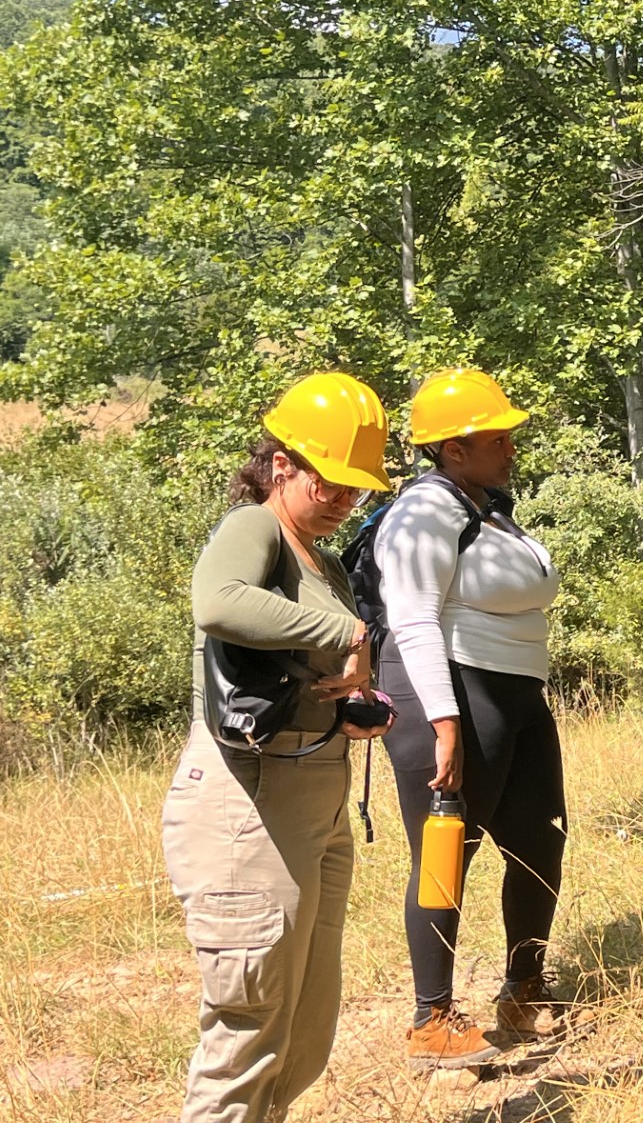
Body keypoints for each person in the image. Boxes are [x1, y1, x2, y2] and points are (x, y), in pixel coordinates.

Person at [162, 372, 396, 1122]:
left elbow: (313, 668)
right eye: (329, 480)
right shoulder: (254, 528)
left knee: (303, 1026)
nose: (341, 499)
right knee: (252, 1023)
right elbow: (218, 601)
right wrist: (349, 633)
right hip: (249, 800)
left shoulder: (322, 560)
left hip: (314, 790)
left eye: (355, 489)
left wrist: (359, 705)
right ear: (282, 463)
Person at [375, 368, 568, 1071]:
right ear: (451, 448)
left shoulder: (482, 503)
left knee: (539, 842)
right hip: (451, 689)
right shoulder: (423, 512)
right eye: (496, 435)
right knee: (446, 852)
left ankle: (522, 990)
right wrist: (445, 723)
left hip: (514, 693)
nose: (511, 443)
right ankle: (432, 1019)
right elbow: (415, 619)